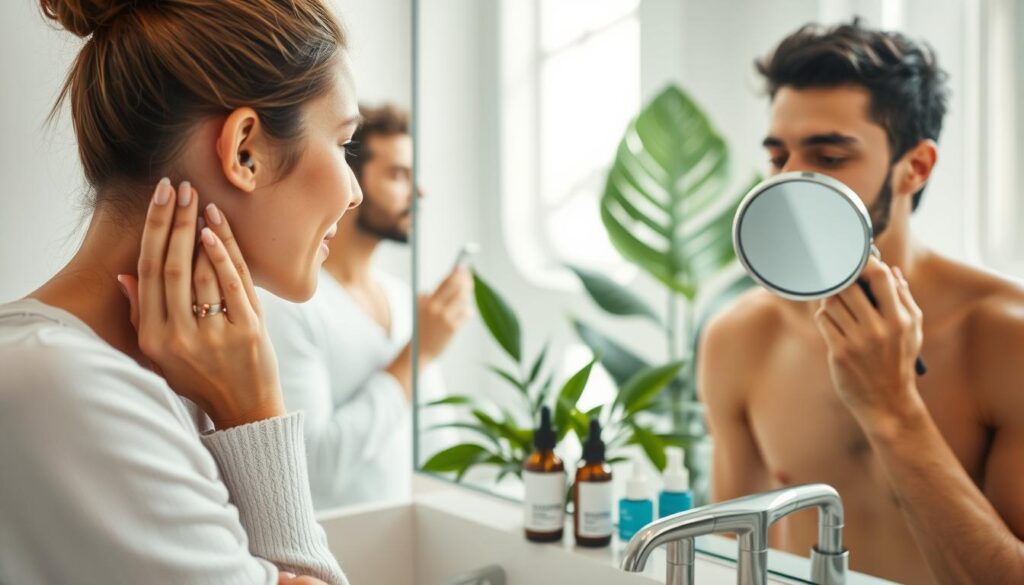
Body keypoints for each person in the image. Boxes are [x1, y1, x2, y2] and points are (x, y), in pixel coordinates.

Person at [0, 0, 366, 582]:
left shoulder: (142, 379)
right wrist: (258, 419)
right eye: (344, 144)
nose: (354, 193)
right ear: (245, 149)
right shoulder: (66, 391)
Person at [699, 21, 1024, 584]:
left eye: (828, 157)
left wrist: (894, 408)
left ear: (915, 167)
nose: (792, 183)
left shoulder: (1004, 337)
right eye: (779, 158)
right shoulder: (740, 337)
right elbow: (730, 555)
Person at [260, 104, 472, 509]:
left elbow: (439, 450)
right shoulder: (293, 305)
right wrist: (418, 354)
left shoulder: (404, 301)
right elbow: (313, 468)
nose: (420, 192)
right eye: (397, 175)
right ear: (350, 180)